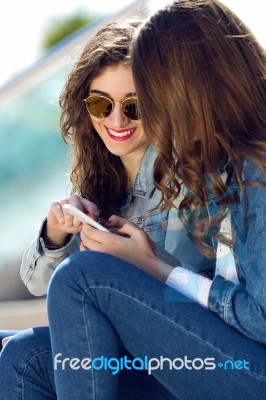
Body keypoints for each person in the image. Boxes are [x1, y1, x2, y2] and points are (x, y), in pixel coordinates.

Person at [39, 0, 266, 398]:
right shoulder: (228, 163)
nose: (126, 118)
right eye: (100, 104)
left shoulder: (255, 167)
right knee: (22, 356)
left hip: (249, 370)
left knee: (82, 277)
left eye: (145, 97)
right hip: (226, 355)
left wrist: (157, 268)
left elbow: (260, 318)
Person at [0, 17, 210, 399]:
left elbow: (220, 302)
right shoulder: (98, 186)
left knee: (23, 355)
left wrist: (141, 264)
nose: (116, 120)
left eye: (134, 106)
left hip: (179, 367)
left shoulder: (194, 181)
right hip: (118, 352)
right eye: (101, 103)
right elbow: (40, 285)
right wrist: (56, 234)